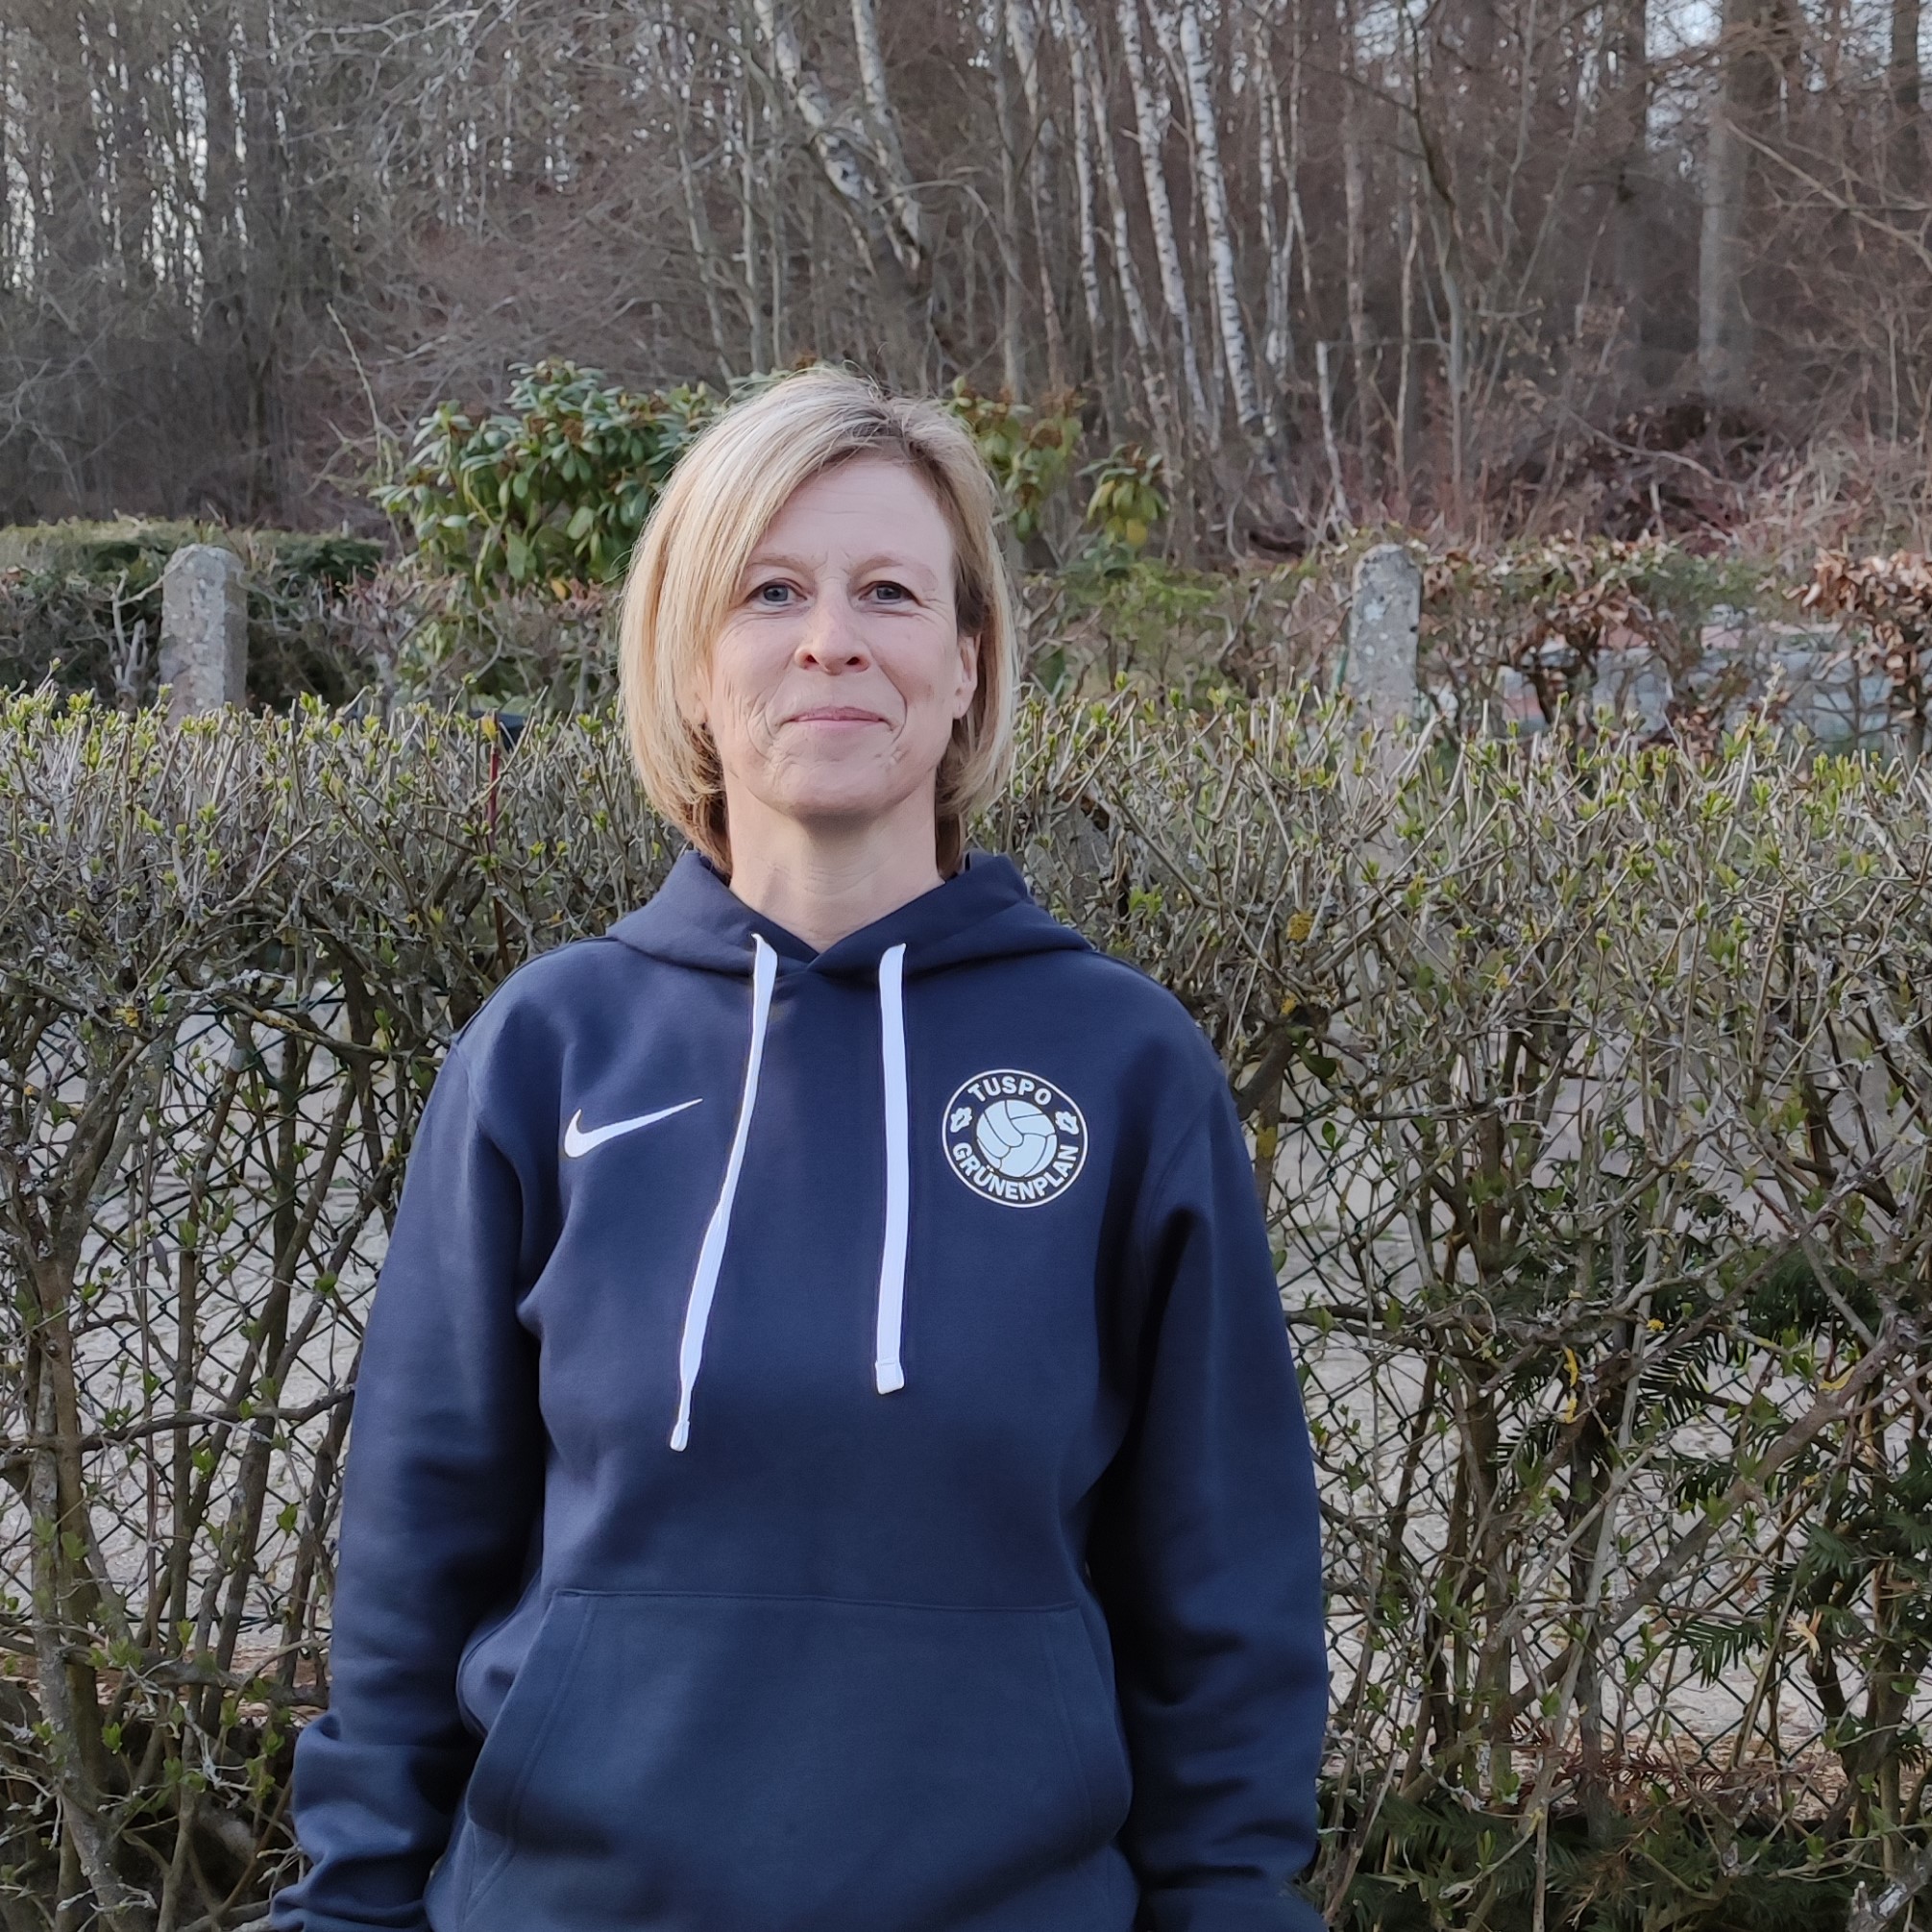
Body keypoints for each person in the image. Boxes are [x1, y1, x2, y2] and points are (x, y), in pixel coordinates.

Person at [272, 368, 1328, 1932]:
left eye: (888, 592)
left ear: (966, 664)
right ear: (693, 667)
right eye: (770, 592)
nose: (831, 637)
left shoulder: (1123, 1066)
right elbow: (413, 1557)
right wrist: (351, 1907)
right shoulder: (550, 1050)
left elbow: (1227, 1591)